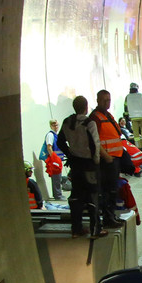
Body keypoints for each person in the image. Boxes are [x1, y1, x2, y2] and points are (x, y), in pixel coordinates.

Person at [57, 95, 102, 237]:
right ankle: (96, 229)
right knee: (93, 196)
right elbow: (95, 144)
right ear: (86, 107)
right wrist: (96, 161)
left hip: (75, 164)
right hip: (89, 164)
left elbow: (60, 141)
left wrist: (69, 153)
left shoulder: (67, 122)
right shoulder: (89, 123)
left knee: (76, 197)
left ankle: (76, 229)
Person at [89, 89, 124, 228]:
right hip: (106, 161)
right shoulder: (96, 118)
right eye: (104, 100)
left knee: (113, 190)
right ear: (98, 100)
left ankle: (111, 216)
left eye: (108, 100)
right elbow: (94, 141)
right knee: (108, 191)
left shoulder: (107, 115)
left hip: (114, 158)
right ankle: (108, 218)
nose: (107, 103)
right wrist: (107, 157)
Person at [43, 120, 64, 199]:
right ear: (51, 126)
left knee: (58, 177)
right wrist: (54, 158)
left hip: (58, 160)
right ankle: (58, 195)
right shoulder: (50, 135)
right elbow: (49, 147)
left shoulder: (56, 135)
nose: (56, 127)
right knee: (56, 178)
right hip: (55, 160)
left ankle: (58, 194)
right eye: (54, 125)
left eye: (57, 125)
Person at [123, 82, 142, 149]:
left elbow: (125, 107)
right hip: (141, 116)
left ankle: (138, 146)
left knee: (136, 133)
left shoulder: (127, 97)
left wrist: (126, 116)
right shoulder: (141, 95)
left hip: (133, 117)